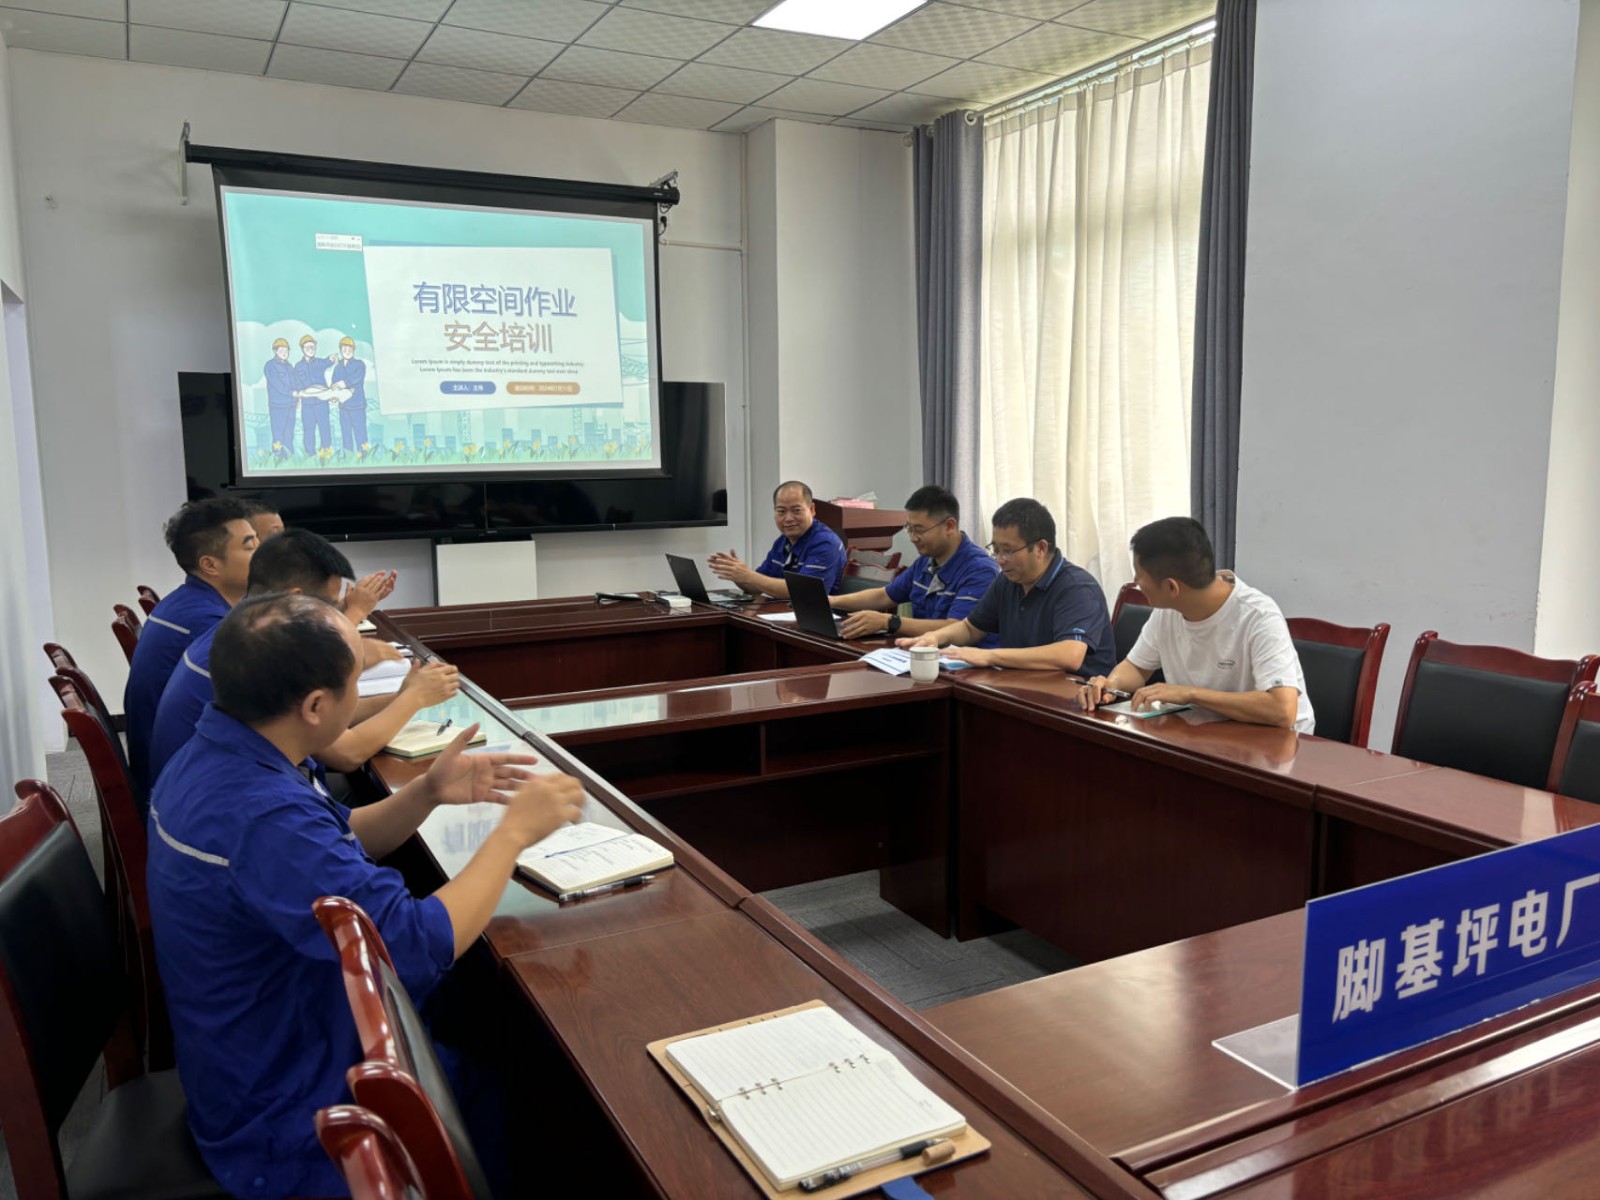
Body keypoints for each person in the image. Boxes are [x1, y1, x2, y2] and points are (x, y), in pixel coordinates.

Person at [146, 592, 585, 1198]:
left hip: (260, 1034)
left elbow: (339, 834)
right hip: (288, 1102)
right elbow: (413, 945)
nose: (361, 694)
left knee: (493, 1011)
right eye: (355, 681)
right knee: (539, 1078)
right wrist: (513, 834)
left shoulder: (225, 751)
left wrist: (426, 792)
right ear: (316, 706)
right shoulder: (263, 816)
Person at [146, 529, 460, 783]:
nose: (335, 615)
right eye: (329, 606)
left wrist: (402, 696)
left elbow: (324, 713)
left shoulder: (243, 628)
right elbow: (347, 754)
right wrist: (412, 700)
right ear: (296, 601)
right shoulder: (260, 653)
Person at [1078, 516, 1314, 732]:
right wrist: (1109, 686)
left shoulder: (1258, 616)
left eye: (1139, 575)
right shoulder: (1167, 612)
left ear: (1171, 587)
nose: (1136, 582)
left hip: (1278, 747)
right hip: (1206, 736)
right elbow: (1137, 667)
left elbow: (1282, 710)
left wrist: (1190, 694)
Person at [123, 498, 258, 794]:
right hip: (188, 785)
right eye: (250, 547)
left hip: (175, 769)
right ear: (210, 565)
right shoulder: (207, 623)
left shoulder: (190, 602)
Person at [899, 497, 1113, 674]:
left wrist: (989, 655)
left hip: (1075, 698)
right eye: (996, 549)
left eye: (1008, 551)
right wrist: (935, 637)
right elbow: (971, 628)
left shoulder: (1077, 588)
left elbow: (1070, 655)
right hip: (1022, 686)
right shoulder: (1008, 580)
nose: (1000, 560)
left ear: (1040, 548)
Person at [827, 485, 1000, 645]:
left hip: (966, 661)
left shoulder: (980, 569)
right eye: (909, 529)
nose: (912, 538)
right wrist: (831, 601)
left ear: (949, 526)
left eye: (919, 530)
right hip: (924, 652)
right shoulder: (925, 561)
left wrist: (889, 622)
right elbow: (884, 596)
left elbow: (956, 628)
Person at [707, 480, 846, 599]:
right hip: (784, 613)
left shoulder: (826, 543)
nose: (788, 518)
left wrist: (749, 576)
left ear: (812, 509)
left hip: (820, 617)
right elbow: (756, 587)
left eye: (796, 510)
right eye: (781, 511)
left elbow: (805, 592)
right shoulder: (782, 542)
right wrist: (737, 574)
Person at [291, 334, 333, 456]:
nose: (311, 349)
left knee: (325, 429)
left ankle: (326, 454)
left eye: (313, 347)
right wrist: (298, 398)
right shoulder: (298, 366)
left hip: (322, 403)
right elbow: (296, 383)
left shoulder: (320, 362)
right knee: (308, 430)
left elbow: (327, 362)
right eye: (308, 347)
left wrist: (331, 358)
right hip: (307, 405)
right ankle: (310, 455)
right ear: (302, 349)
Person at [330, 335, 369, 453]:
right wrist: (334, 396)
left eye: (349, 349)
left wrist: (344, 383)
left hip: (357, 406)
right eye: (344, 349)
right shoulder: (338, 368)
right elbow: (334, 384)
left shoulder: (359, 364)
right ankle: (348, 459)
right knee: (346, 437)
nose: (347, 351)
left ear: (353, 350)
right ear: (340, 350)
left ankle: (365, 459)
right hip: (344, 407)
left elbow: (357, 378)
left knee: (361, 436)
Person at [261, 338, 295, 454]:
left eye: (286, 350)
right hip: (278, 406)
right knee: (278, 434)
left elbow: (294, 383)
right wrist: (291, 393)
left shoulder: (289, 366)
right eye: (281, 350)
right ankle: (278, 457)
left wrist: (297, 397)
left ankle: (289, 457)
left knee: (289, 434)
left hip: (291, 405)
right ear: (275, 351)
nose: (285, 353)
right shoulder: (270, 366)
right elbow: (277, 384)